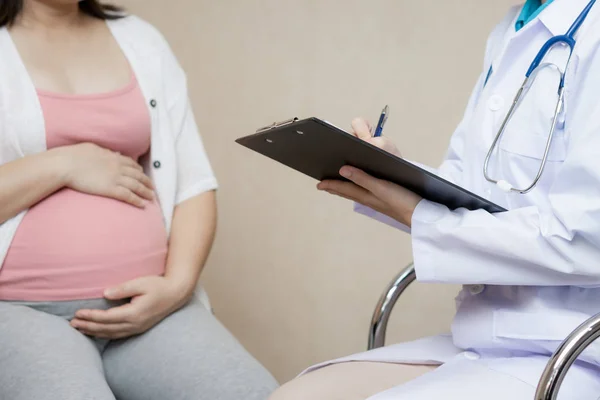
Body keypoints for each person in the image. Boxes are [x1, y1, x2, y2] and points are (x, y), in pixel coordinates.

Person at [269, 0, 600, 399]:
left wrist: (424, 216)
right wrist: (391, 173)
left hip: (573, 348)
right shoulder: (513, 27)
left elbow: (585, 239)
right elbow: (475, 185)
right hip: (487, 336)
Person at [0, 1, 278, 399]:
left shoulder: (139, 38)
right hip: (20, 311)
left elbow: (193, 184)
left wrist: (177, 286)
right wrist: (63, 163)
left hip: (148, 307)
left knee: (253, 392)